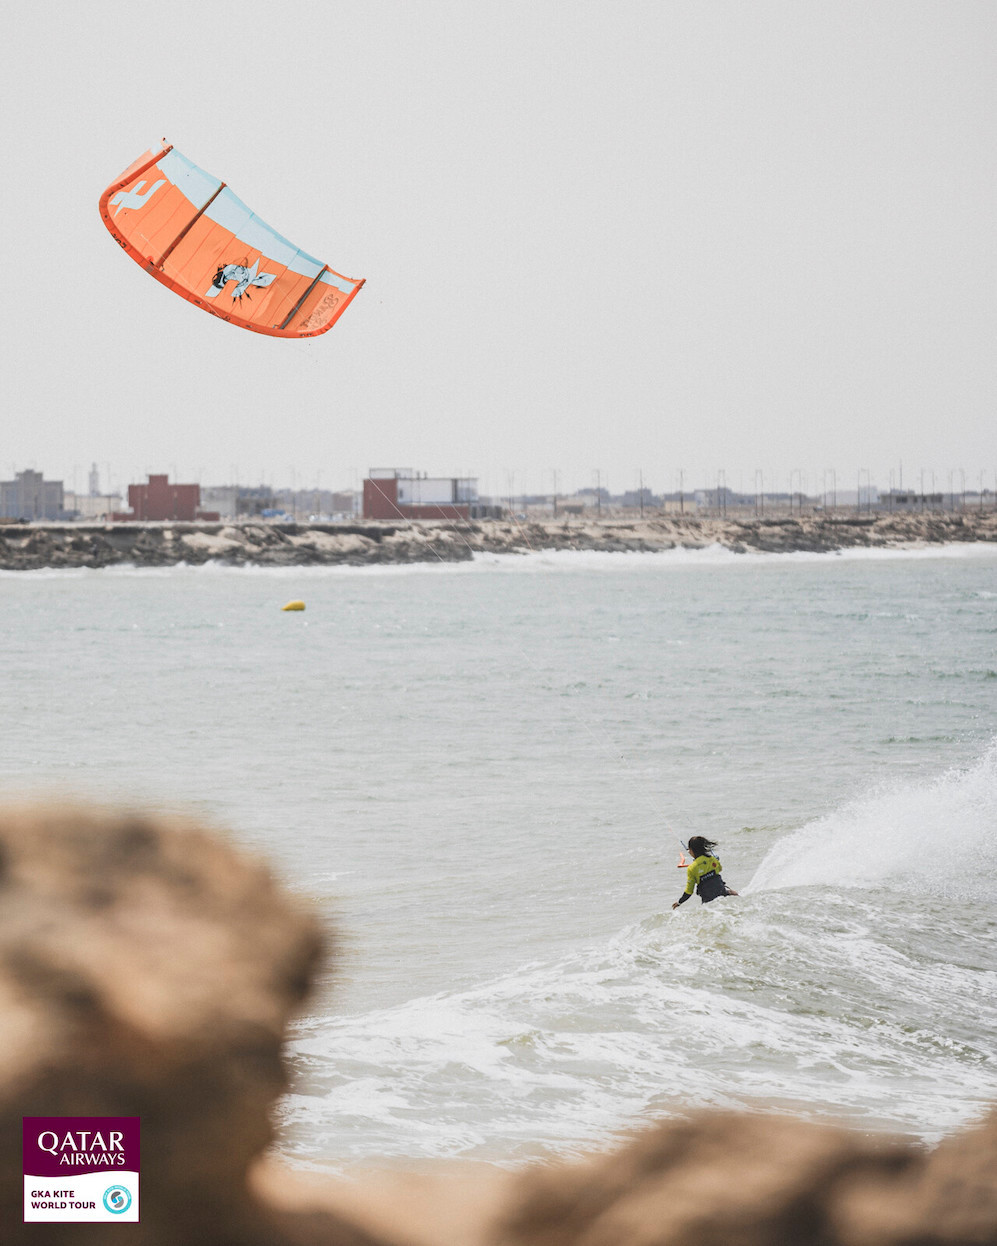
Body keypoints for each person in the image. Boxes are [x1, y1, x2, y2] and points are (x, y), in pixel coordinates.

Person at [672, 836, 738, 908]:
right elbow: (720, 869)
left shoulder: (691, 868)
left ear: (691, 850)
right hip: (722, 894)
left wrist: (679, 902)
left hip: (708, 902)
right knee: (732, 892)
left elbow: (689, 891)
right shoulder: (712, 859)